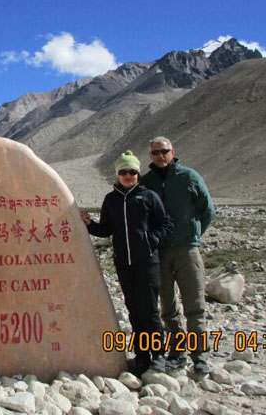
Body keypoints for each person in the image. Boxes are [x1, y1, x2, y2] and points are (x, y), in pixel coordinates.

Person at [81, 150, 173, 375]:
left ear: (138, 173)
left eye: (132, 171)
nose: (128, 175)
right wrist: (89, 223)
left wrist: (151, 241)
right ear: (117, 174)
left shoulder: (149, 196)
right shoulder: (111, 199)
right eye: (123, 171)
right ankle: (142, 356)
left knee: (150, 310)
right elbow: (106, 230)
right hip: (124, 264)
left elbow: (166, 225)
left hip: (148, 263)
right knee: (133, 310)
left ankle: (158, 355)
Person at [142, 136, 214, 375]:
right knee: (168, 307)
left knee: (195, 305)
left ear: (173, 152)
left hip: (187, 250)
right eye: (155, 152)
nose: (160, 156)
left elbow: (207, 210)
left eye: (164, 151)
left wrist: (193, 235)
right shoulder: (147, 182)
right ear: (150, 155)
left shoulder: (189, 177)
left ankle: (200, 357)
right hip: (159, 252)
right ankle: (177, 353)